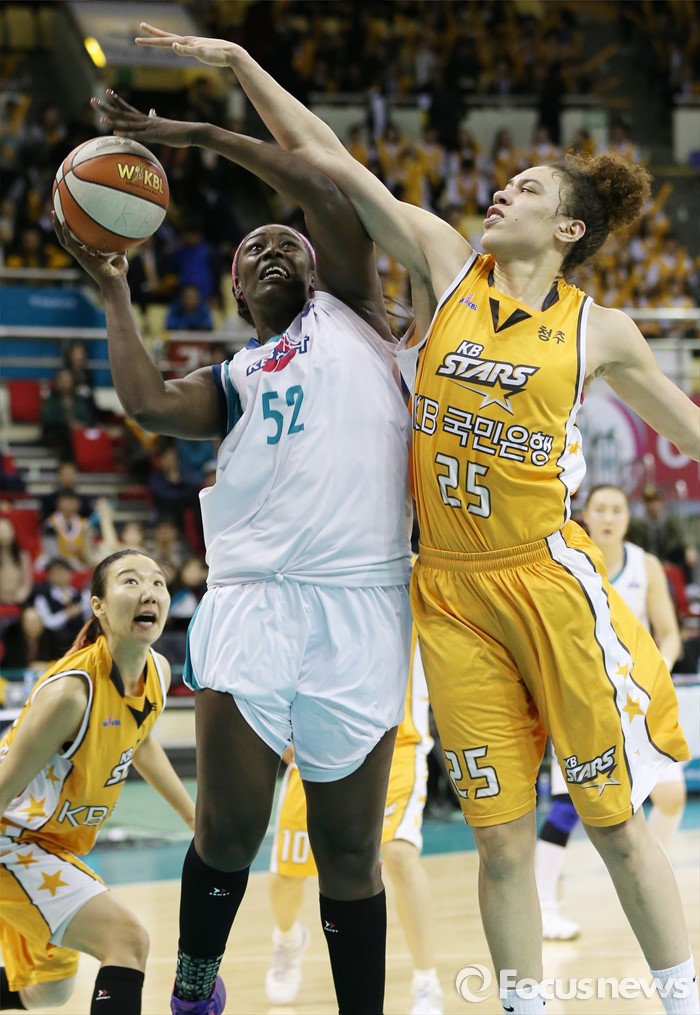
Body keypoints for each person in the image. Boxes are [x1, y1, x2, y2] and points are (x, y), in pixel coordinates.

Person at [130, 25, 700, 1015]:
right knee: (498, 837)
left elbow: (689, 429)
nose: (501, 192)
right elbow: (333, 164)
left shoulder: (600, 329)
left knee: (611, 820)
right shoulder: (446, 267)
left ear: (568, 227)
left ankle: (681, 997)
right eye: (504, 183)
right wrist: (238, 66)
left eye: (526, 189)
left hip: (544, 575)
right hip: (445, 589)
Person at [54, 84, 412, 1015]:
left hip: (362, 602)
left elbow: (326, 193)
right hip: (254, 600)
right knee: (227, 831)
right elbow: (146, 403)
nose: (271, 249)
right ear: (235, 291)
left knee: (348, 850)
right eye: (253, 251)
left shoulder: (356, 317)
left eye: (287, 243)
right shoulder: (236, 376)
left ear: (320, 271)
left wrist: (196, 134)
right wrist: (115, 288)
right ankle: (193, 991)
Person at [0, 548, 195, 1014]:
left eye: (158, 582)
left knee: (48, 992)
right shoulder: (71, 693)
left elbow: (139, 741)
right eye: (130, 581)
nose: (149, 591)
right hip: (13, 840)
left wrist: (195, 818)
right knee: (126, 941)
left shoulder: (156, 671)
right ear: (99, 606)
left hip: (55, 844)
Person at [535, 484, 685, 941]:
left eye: (617, 509)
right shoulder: (567, 560)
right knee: (566, 808)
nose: (608, 517)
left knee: (671, 795)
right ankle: (544, 906)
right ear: (586, 514)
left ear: (627, 517)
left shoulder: (645, 565)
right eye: (600, 509)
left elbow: (670, 634)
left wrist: (657, 670)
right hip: (583, 701)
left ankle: (645, 881)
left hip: (638, 700)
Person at [266, 629, 442, 1015]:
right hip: (320, 743)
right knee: (287, 875)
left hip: (399, 744)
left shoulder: (414, 591)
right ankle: (288, 939)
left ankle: (426, 980)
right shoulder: (319, 595)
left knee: (399, 854)